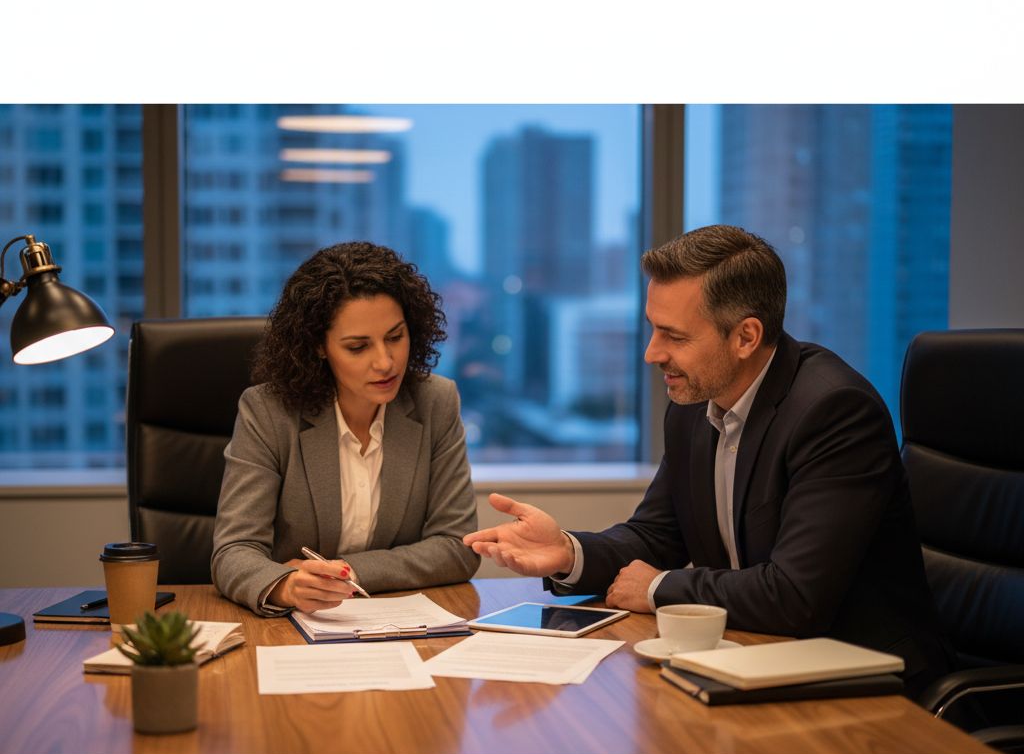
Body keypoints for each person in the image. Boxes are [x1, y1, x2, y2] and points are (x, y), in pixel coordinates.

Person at [464, 224, 951, 697]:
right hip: (747, 656)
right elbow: (658, 535)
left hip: (864, 682)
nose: (652, 354)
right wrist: (569, 552)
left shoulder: (834, 411)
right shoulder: (694, 407)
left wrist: (658, 588)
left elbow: (796, 596)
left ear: (745, 337)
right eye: (653, 330)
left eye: (674, 337)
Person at [213, 241, 480, 616]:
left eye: (395, 337)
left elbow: (457, 545)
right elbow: (233, 551)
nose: (385, 362)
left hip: (402, 627)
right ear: (319, 347)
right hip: (292, 629)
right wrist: (286, 586)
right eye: (358, 347)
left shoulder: (436, 401)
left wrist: (346, 573)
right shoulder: (269, 411)